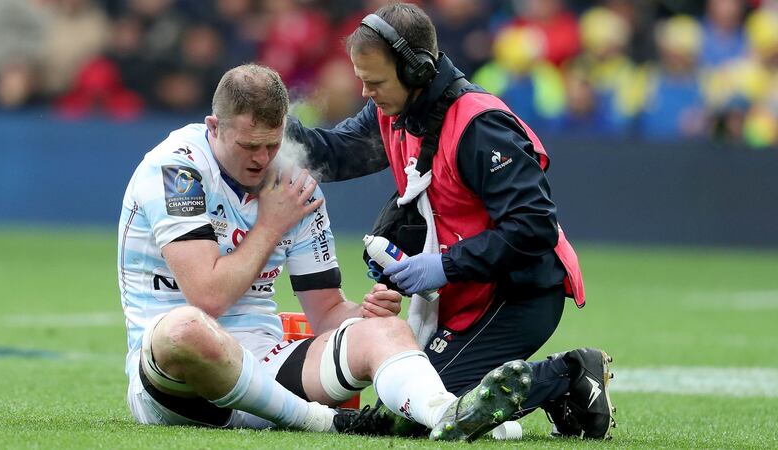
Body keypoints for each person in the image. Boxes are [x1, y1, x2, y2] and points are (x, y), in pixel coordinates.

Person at [116, 63, 539, 441]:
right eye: (249, 146)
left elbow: (325, 314)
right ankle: (319, 422)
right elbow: (208, 296)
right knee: (186, 328)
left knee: (388, 333)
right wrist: (269, 226)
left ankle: (445, 413)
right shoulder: (177, 169)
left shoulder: (293, 184)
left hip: (266, 364)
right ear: (214, 126)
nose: (263, 159)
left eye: (273, 144)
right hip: (175, 385)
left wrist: (365, 314)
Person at [288, 3, 615, 439]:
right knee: (414, 402)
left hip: (521, 291)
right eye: (362, 81)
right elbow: (330, 153)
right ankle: (553, 389)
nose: (366, 93)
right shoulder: (396, 109)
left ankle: (569, 374)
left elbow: (533, 226)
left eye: (375, 82)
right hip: (469, 289)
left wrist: (442, 266)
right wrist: (264, 129)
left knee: (423, 415)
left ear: (417, 69)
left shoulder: (481, 125)